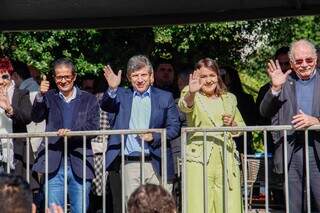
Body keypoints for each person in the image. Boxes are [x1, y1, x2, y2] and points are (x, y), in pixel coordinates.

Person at [100, 55, 180, 201]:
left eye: (143, 75)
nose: (140, 79)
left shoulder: (165, 97)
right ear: (129, 79)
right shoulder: (121, 95)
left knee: (160, 208)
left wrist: (154, 136)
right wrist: (112, 88)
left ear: (151, 76)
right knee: (133, 208)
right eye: (135, 75)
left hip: (157, 162)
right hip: (130, 164)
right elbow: (106, 105)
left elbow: (174, 127)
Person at [31, 58, 100, 212]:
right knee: (54, 210)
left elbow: (94, 127)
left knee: (80, 210)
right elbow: (36, 117)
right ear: (54, 78)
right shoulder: (48, 96)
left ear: (74, 77)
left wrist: (72, 134)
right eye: (59, 77)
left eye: (66, 77)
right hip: (53, 164)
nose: (63, 81)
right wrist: (40, 95)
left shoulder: (89, 99)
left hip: (80, 162)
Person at [260, 39, 320, 213]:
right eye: (299, 61)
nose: (304, 65)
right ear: (292, 63)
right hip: (291, 151)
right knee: (294, 206)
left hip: (317, 149)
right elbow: (264, 112)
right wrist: (275, 88)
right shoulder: (284, 81)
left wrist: (316, 121)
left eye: (309, 60)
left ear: (315, 59)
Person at [178, 58, 244, 213]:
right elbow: (184, 106)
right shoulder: (190, 92)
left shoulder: (230, 98)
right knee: (199, 205)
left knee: (229, 205)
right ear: (197, 78)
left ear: (218, 76)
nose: (208, 80)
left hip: (226, 159)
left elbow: (242, 127)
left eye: (212, 75)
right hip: (199, 160)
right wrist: (192, 93)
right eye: (203, 76)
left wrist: (233, 125)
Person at [0, 57, 39, 190]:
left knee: (17, 194)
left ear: (11, 76)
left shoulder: (21, 94)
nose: (1, 81)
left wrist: (9, 109)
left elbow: (28, 117)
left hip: (16, 152)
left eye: (4, 76)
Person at [220, 65, 257, 154]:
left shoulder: (246, 99)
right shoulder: (215, 99)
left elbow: (252, 121)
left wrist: (235, 124)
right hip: (222, 141)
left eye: (224, 76)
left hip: (242, 141)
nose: (221, 79)